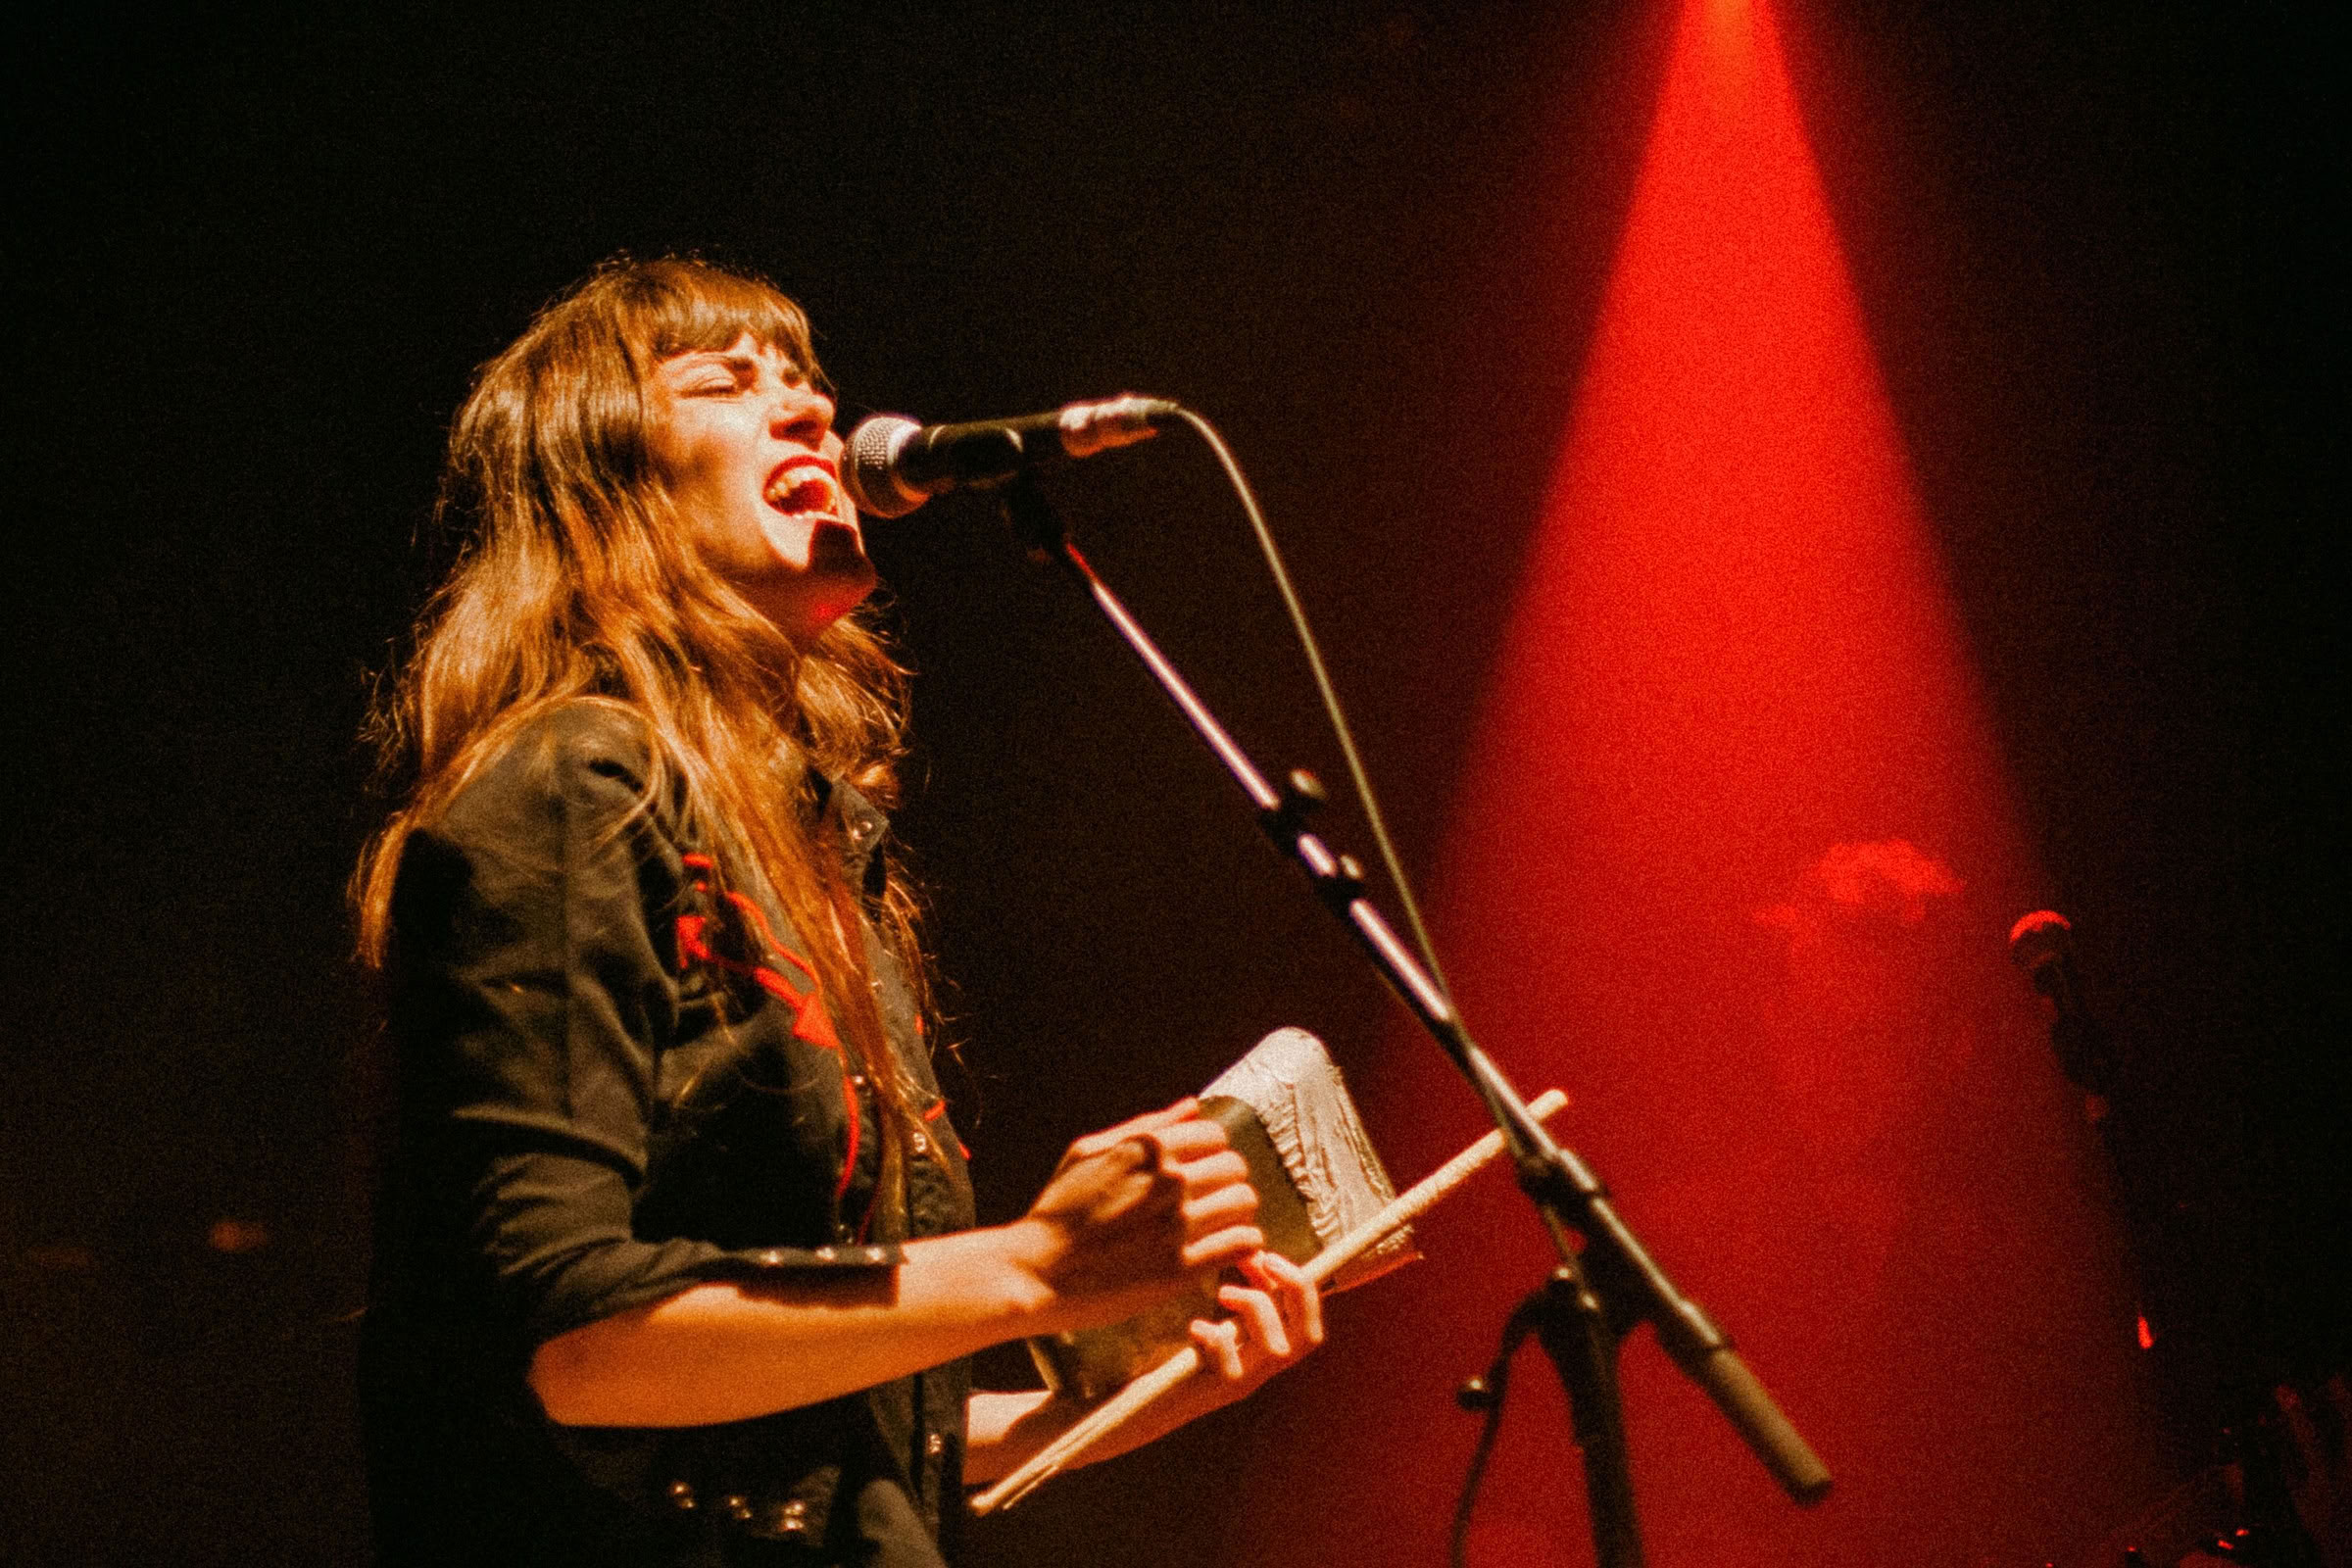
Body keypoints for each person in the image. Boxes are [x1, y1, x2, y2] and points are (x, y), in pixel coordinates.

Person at [353, 256, 1321, 1567]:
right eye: (729, 384)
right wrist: (1037, 1265)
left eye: (809, 383)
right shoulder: (577, 783)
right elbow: (579, 1347)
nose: (809, 410)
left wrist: (1119, 1398)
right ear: (607, 484)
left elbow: (817, 1446)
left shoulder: (807, 846)